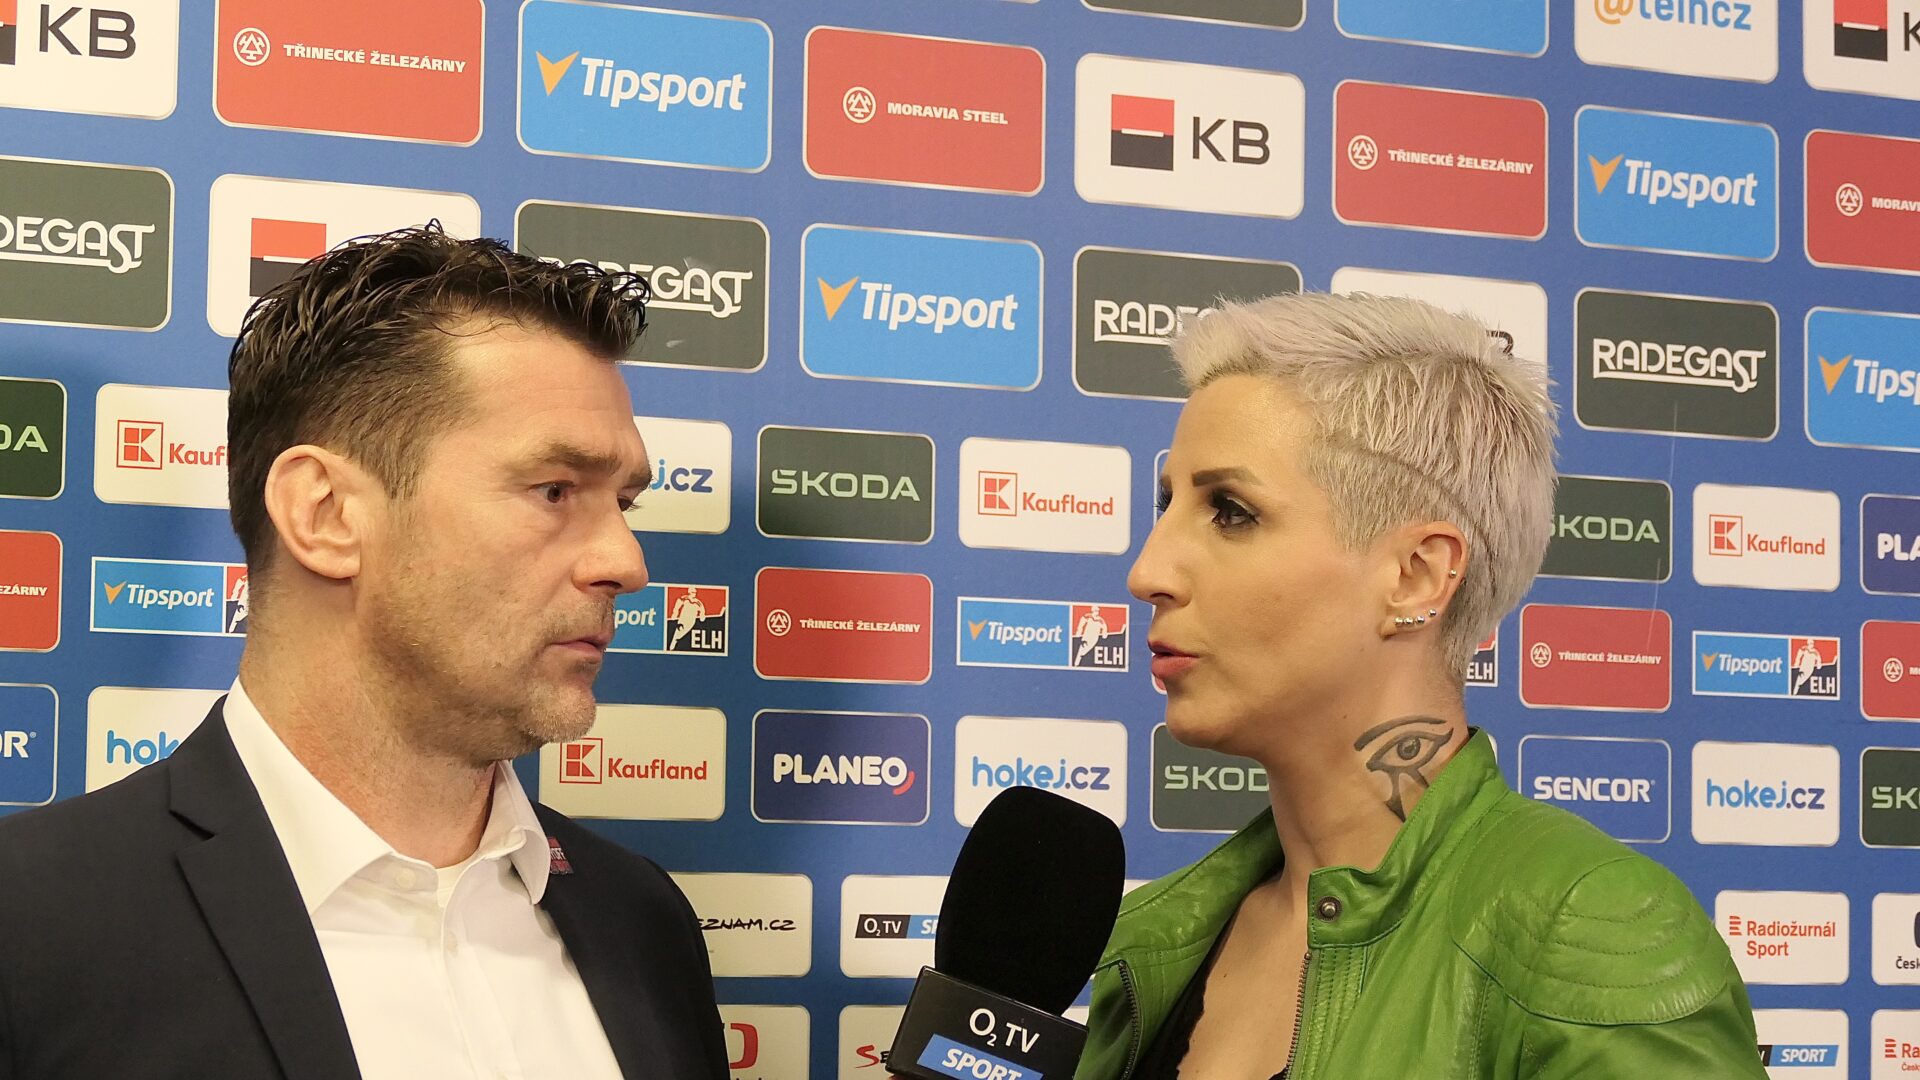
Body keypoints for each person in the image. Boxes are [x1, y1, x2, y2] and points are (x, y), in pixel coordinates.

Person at [0, 226, 729, 1079]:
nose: (626, 563)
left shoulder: (643, 921)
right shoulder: (30, 923)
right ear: (326, 515)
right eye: (554, 490)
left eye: (625, 503)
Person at [1078, 293, 1766, 1079]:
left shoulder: (1589, 933)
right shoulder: (1154, 941)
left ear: (1414, 577)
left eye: (1230, 512)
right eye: (1168, 503)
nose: (1148, 572)